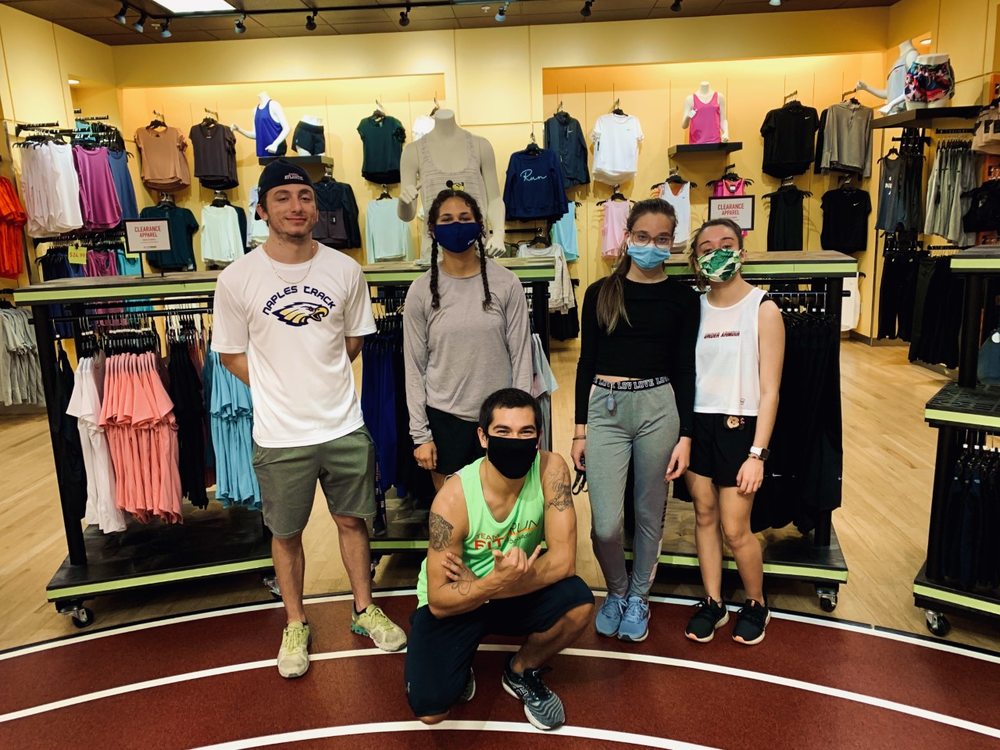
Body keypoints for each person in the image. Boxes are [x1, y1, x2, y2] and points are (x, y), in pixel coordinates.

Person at [212, 159, 406, 679]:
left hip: (343, 425)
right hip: (280, 434)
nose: (295, 207)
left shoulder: (344, 270)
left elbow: (354, 340)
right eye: (282, 197)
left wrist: (318, 378)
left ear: (316, 209)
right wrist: (275, 385)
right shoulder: (237, 278)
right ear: (261, 209)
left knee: (353, 521)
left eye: (304, 197)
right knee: (286, 532)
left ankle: (364, 609)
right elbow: (230, 353)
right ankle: (295, 621)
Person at [404, 388, 594, 731]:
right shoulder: (453, 498)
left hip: (498, 586)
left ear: (538, 437)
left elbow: (564, 562)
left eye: (525, 432)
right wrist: (492, 583)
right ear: (483, 437)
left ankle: (521, 669)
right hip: (462, 599)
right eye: (503, 432)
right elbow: (439, 601)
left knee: (578, 602)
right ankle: (456, 659)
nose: (515, 441)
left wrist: (489, 585)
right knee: (430, 710)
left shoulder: (551, 470)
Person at [572, 198, 700, 642]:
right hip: (605, 410)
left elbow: (685, 368)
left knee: (648, 514)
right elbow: (586, 362)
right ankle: (617, 590)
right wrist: (579, 431)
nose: (651, 245)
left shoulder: (683, 298)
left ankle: (639, 596)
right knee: (605, 523)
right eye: (643, 236)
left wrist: (686, 435)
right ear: (627, 236)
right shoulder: (599, 293)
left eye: (662, 239)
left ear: (672, 242)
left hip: (658, 408)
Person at [683, 218, 785, 646]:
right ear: (697, 259)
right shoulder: (693, 308)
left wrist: (757, 454)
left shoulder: (763, 308)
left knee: (735, 528)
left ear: (742, 252)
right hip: (698, 424)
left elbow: (771, 390)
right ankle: (713, 601)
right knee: (703, 515)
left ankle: (756, 602)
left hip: (739, 427)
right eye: (707, 248)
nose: (717, 253)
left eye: (726, 244)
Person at [403, 189, 533, 491]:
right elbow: (414, 367)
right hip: (445, 420)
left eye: (464, 218)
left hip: (501, 419)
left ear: (479, 225)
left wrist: (523, 421)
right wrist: (421, 435)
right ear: (432, 230)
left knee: (504, 508)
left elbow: (521, 357)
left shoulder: (506, 283)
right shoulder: (420, 291)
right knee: (452, 512)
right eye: (447, 220)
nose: (456, 225)